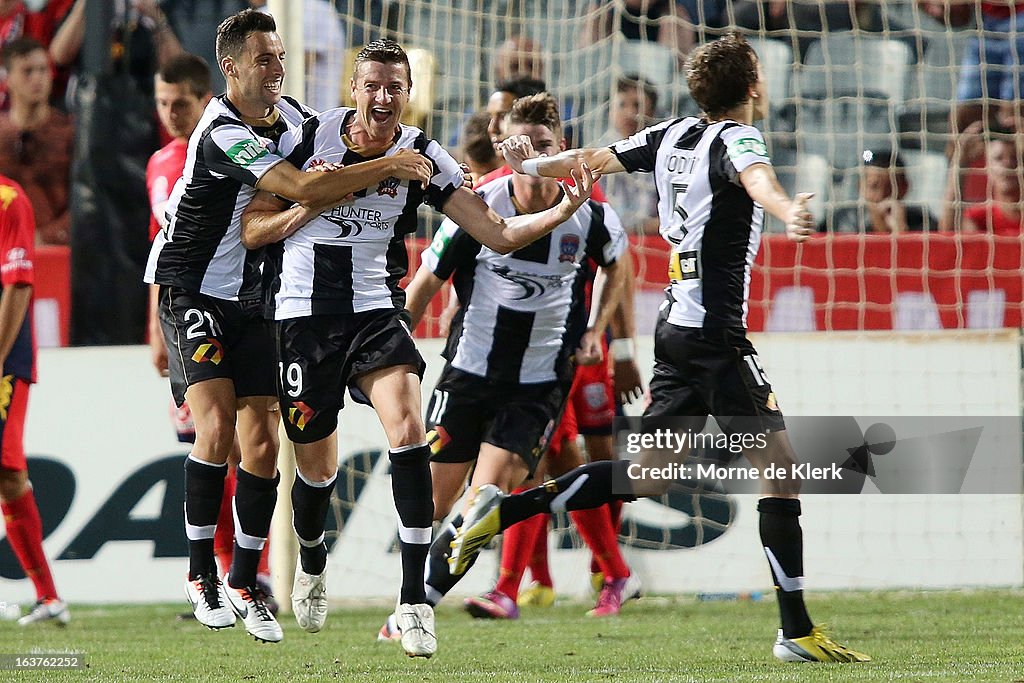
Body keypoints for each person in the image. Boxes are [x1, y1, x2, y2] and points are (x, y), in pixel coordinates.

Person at [450, 32, 871, 664]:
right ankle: (796, 631)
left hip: (674, 325)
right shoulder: (738, 138)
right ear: (754, 87)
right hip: (714, 335)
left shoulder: (670, 134)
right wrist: (786, 210)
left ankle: (505, 511)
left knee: (647, 476)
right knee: (781, 476)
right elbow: (756, 180)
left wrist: (527, 164)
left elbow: (587, 159)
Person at [240, 41, 595, 659]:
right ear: (353, 87)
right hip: (302, 319)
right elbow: (253, 229)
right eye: (371, 86)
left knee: (407, 430)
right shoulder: (305, 136)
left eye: (394, 88)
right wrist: (310, 203)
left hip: (377, 313)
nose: (381, 98)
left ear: (409, 95)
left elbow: (498, 232)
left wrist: (565, 208)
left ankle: (412, 604)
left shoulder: (426, 157)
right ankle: (313, 557)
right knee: (316, 466)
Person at [144, 10, 433, 644]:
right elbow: (303, 185)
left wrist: (429, 164)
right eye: (264, 58)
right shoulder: (222, 131)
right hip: (194, 287)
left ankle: (247, 583)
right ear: (231, 68)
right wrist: (392, 165)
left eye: (280, 55)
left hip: (258, 298)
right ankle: (202, 575)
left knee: (265, 444)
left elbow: (340, 155)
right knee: (216, 426)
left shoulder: (296, 120)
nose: (278, 67)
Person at [382, 92, 626, 626]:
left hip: (537, 386)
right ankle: (411, 598)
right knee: (431, 505)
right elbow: (425, 283)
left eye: (544, 145)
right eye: (522, 145)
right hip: (468, 374)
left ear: (561, 148)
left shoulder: (594, 218)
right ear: (504, 147)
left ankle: (414, 609)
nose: (534, 156)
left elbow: (618, 268)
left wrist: (598, 330)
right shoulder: (478, 207)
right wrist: (392, 351)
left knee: (484, 502)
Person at [0, 173, 69, 626]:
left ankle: (48, 596)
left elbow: (19, 283)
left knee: (5, 469)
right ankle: (49, 597)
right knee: (7, 474)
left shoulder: (9, 199)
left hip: (5, 357)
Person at [0, 38, 73, 245]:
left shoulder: (68, 132)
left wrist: (43, 237)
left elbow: (84, 201)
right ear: (8, 79)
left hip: (54, 250)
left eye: (43, 70)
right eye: (28, 71)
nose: (37, 78)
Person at [597, 75, 661, 235]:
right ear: (610, 109)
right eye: (622, 105)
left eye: (637, 105)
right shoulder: (597, 156)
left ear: (651, 112)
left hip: (654, 243)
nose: (630, 113)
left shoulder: (661, 156)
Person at [827, 148, 935, 233]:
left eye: (890, 187)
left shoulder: (922, 220)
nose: (881, 195)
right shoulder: (845, 220)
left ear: (905, 187)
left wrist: (901, 231)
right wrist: (879, 229)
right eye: (873, 187)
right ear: (860, 187)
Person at [961, 135, 1023, 234]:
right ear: (987, 167)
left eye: (1015, 158)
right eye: (999, 158)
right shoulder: (979, 217)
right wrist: (960, 161)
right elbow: (946, 232)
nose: (1008, 164)